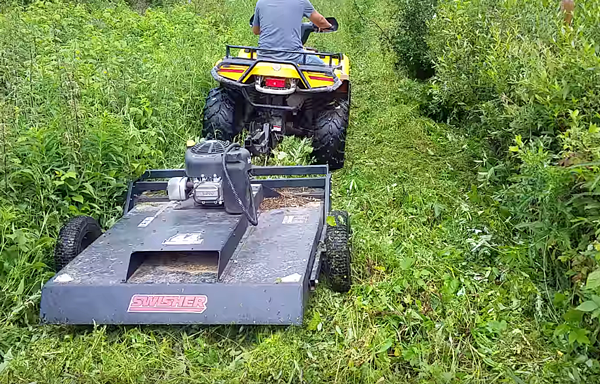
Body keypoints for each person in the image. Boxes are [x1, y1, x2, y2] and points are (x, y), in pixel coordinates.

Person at [251, 0, 332, 66]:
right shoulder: (301, 1)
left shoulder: (261, 2)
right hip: (293, 57)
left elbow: (256, 31)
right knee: (323, 67)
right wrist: (329, 26)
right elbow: (320, 21)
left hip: (263, 56)